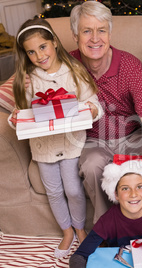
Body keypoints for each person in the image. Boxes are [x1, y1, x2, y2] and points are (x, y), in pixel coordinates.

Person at [68, 1, 142, 230]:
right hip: (93, 141)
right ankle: (105, 230)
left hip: (132, 137)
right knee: (92, 165)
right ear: (75, 35)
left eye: (101, 30)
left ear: (110, 33)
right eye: (87, 31)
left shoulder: (130, 67)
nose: (95, 38)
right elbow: (36, 80)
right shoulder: (68, 67)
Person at [8, 18, 103, 258]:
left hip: (71, 145)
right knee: (54, 191)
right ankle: (67, 231)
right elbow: (19, 113)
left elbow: (93, 101)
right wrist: (15, 118)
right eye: (31, 51)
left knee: (72, 189)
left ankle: (80, 229)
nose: (39, 55)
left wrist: (92, 109)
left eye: (42, 47)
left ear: (54, 43)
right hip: (43, 149)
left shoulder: (74, 71)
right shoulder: (27, 79)